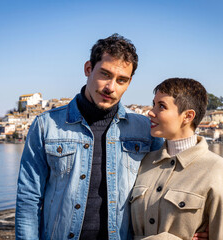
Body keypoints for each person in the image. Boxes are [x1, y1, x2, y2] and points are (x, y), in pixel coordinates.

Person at [15, 34, 164, 240]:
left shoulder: (145, 130)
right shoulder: (46, 125)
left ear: (129, 82)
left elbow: (167, 184)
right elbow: (29, 199)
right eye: (105, 74)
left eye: (121, 80)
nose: (111, 87)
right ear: (88, 69)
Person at [130, 78, 223, 240]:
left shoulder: (216, 170)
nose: (150, 112)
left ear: (188, 116)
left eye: (161, 106)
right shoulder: (144, 162)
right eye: (153, 104)